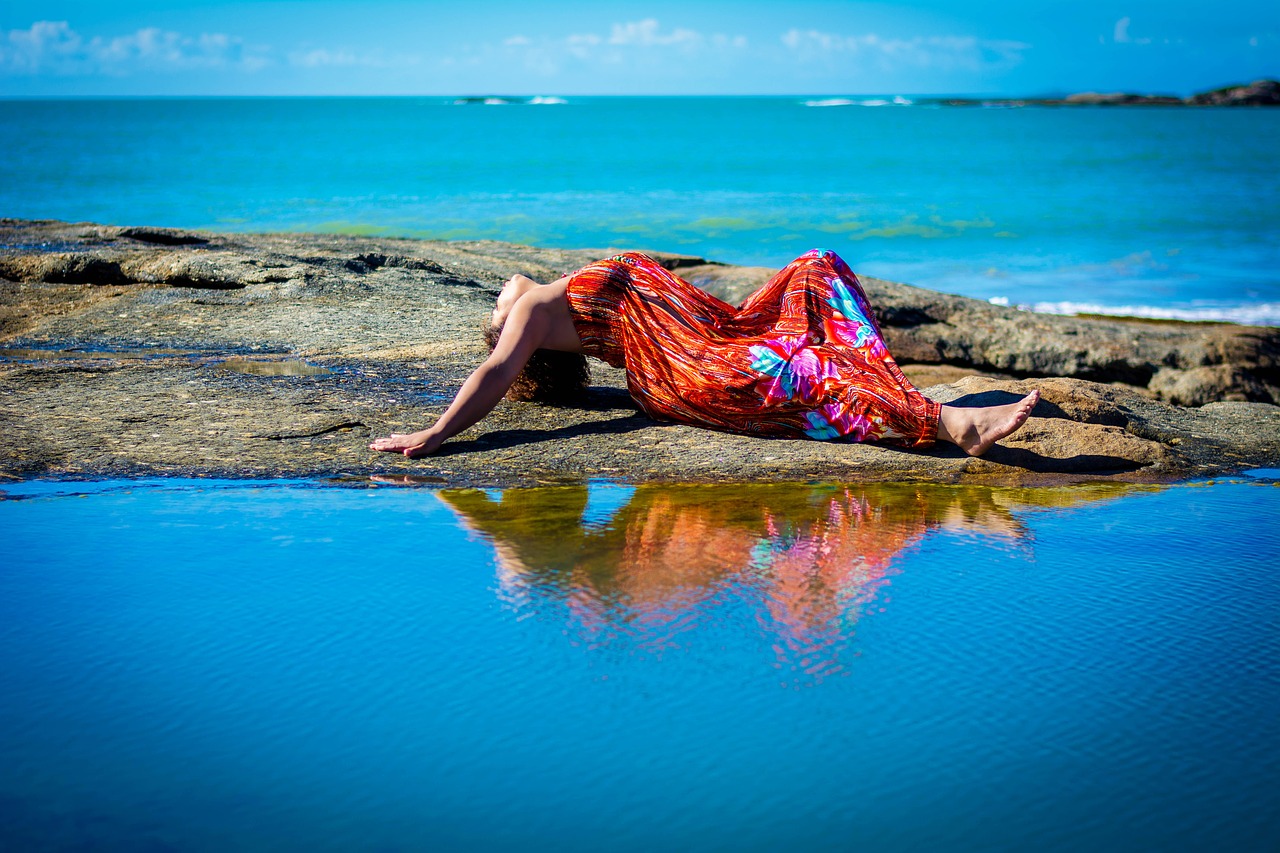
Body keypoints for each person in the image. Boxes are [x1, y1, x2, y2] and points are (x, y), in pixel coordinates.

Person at [370, 249, 1038, 459]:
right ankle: (951, 422)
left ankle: (885, 384)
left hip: (718, 331)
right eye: (496, 317)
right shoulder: (535, 311)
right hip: (685, 369)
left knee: (818, 270)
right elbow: (492, 373)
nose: (496, 303)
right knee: (800, 368)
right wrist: (434, 433)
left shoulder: (556, 294)